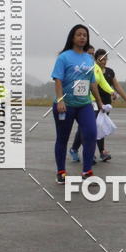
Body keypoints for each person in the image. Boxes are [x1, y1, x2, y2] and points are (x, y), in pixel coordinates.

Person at [51, 26, 104, 184]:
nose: (82, 37)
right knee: (62, 138)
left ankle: (87, 171)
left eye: (85, 35)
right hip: (66, 105)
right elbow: (58, 79)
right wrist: (60, 100)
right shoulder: (64, 57)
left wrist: (99, 102)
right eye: (79, 35)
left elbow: (92, 83)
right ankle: (61, 171)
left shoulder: (89, 59)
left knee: (91, 134)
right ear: (72, 38)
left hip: (84, 104)